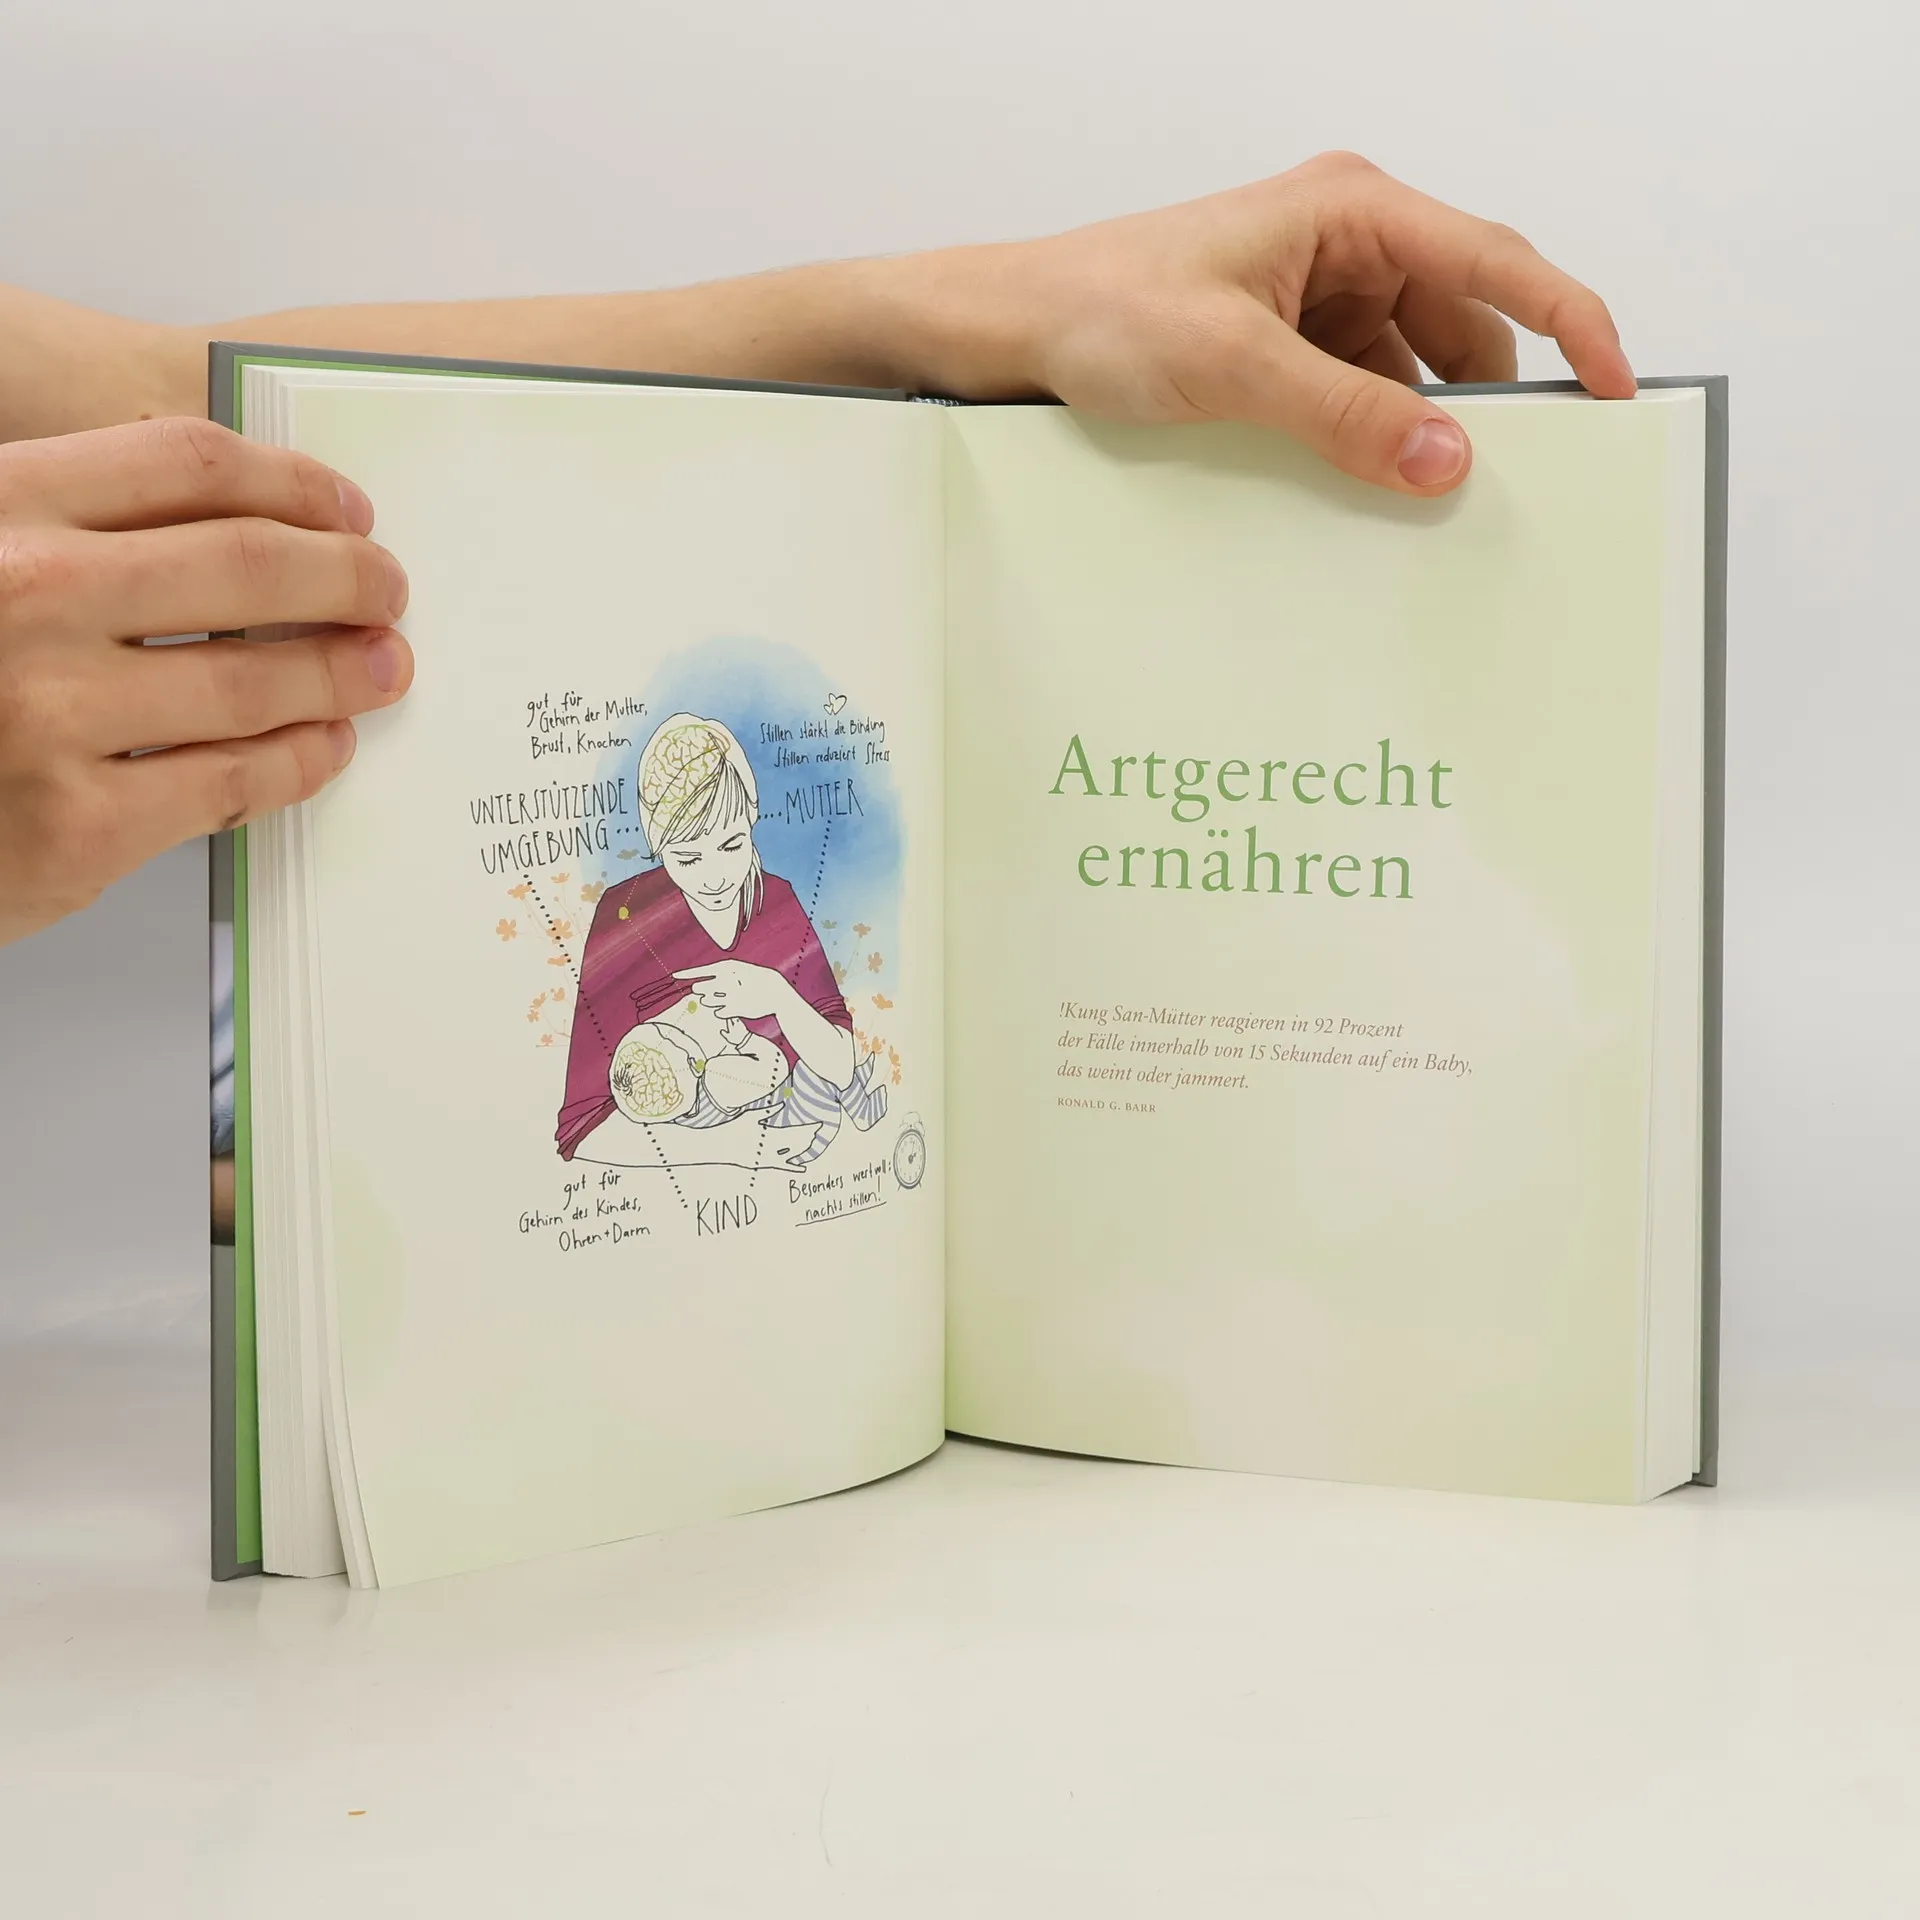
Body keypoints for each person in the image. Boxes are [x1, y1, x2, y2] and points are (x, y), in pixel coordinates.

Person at [0, 152, 1634, 950]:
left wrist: (935, 312)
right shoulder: (631, 940)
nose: (716, 858)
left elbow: (170, 406)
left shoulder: (780, 913)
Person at [558, 714, 886, 1173]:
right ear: (656, 843)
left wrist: (777, 995)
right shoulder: (624, 915)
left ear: (752, 818)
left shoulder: (778, 901)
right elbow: (581, 1127)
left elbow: (840, 1064)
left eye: (732, 846)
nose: (714, 878)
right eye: (686, 857)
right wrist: (738, 1151)